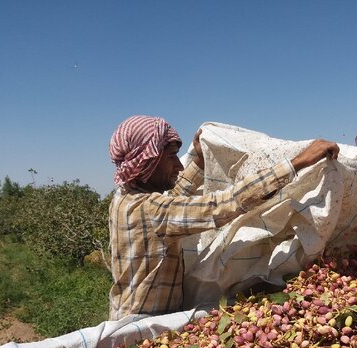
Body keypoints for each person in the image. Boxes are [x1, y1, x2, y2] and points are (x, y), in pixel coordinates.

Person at [108, 115, 339, 320]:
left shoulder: (125, 198)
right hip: (139, 326)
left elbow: (174, 201)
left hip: (137, 315)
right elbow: (222, 205)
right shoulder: (148, 210)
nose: (178, 166)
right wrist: (297, 163)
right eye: (170, 157)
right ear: (147, 161)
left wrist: (198, 161)